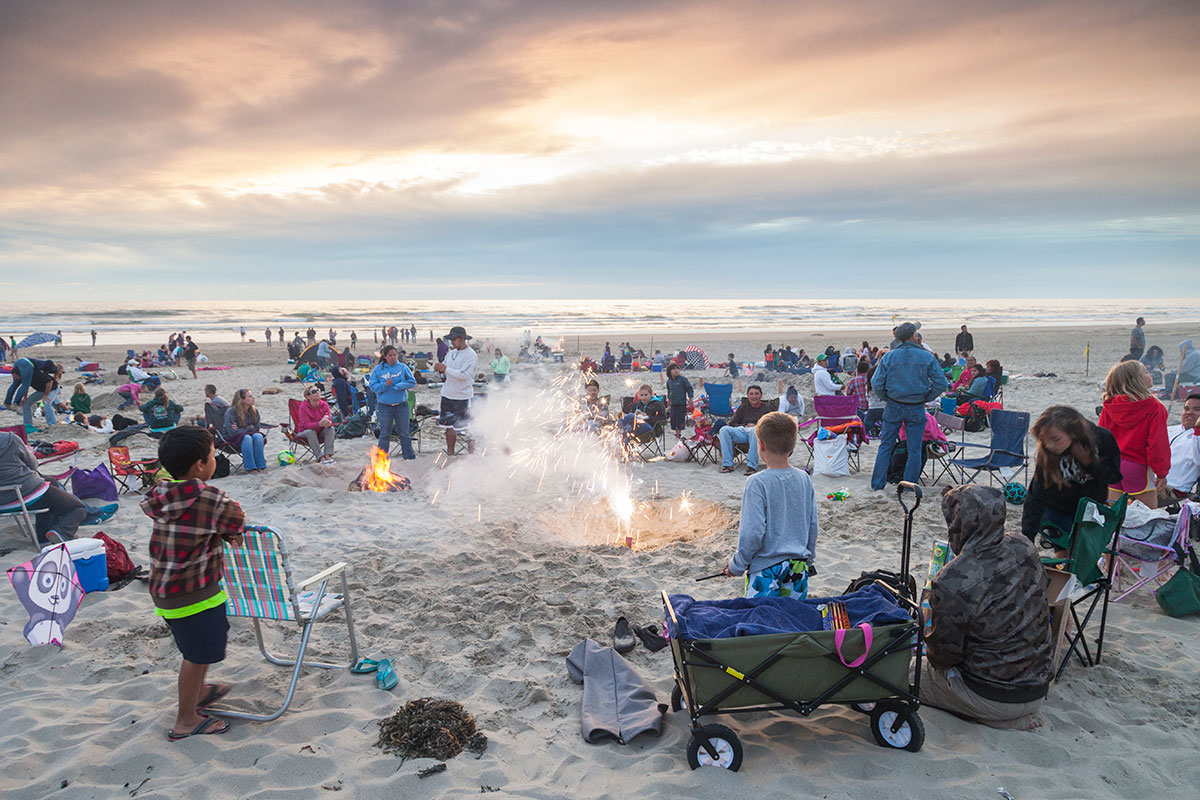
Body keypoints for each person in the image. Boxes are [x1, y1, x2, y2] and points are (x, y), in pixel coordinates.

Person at [140, 426, 245, 741]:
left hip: (165, 592)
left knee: (196, 647)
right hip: (195, 593)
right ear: (200, 465)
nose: (215, 460)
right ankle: (185, 719)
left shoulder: (162, 493)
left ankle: (197, 692)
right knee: (198, 653)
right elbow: (236, 521)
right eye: (213, 455)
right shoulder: (208, 496)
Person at [923, 485, 1053, 731]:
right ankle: (1004, 714)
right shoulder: (1024, 546)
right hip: (1039, 684)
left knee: (906, 675)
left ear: (957, 525)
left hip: (992, 694)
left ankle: (996, 719)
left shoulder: (951, 580)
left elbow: (942, 657)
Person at [720, 412, 818, 598]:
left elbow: (752, 533)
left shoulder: (757, 482)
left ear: (761, 444)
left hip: (766, 569)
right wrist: (809, 559)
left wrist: (737, 564)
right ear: (793, 445)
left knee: (762, 623)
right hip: (798, 566)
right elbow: (812, 526)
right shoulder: (804, 479)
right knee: (790, 621)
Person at [1021, 405, 1123, 542]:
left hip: (1091, 509)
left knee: (1084, 555)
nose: (1050, 446)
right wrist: (1027, 537)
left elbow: (1114, 476)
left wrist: (1090, 464)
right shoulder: (1048, 453)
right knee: (1064, 554)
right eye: (1044, 441)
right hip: (1058, 509)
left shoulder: (1102, 438)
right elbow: (1036, 495)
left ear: (1074, 432)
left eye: (1055, 439)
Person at [870, 322, 948, 490]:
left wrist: (886, 397)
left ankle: (877, 485)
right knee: (914, 449)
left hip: (894, 405)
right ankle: (909, 486)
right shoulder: (926, 356)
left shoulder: (889, 357)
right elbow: (941, 383)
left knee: (886, 446)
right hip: (915, 406)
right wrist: (926, 397)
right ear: (914, 336)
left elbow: (876, 383)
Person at [1098, 360, 1170, 509]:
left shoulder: (1109, 406)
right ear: (1136, 380)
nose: (1149, 374)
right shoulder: (1155, 408)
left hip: (1112, 464)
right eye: (1145, 372)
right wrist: (1161, 472)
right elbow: (1157, 445)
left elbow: (1101, 438)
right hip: (1137, 466)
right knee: (1148, 514)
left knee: (1113, 513)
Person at [0, 429, 87, 545]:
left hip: (3, 503)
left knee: (51, 482)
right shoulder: (10, 439)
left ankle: (45, 535)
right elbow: (33, 464)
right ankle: (61, 532)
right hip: (26, 494)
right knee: (78, 508)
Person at [434, 326, 478, 456]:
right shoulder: (451, 354)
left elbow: (463, 375)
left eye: (454, 339)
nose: (451, 342)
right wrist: (439, 371)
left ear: (462, 339)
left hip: (463, 396)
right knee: (448, 427)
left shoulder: (471, 355)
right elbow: (445, 375)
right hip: (447, 395)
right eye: (450, 339)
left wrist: (445, 369)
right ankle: (450, 454)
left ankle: (472, 454)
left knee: (467, 428)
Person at [368, 345, 416, 458]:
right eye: (390, 355)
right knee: (384, 434)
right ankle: (381, 459)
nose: (393, 357)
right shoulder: (378, 370)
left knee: (404, 433)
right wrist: (384, 384)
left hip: (401, 405)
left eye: (395, 355)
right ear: (385, 356)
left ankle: (409, 457)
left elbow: (412, 382)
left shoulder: (403, 367)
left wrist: (400, 385)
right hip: (385, 406)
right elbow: (373, 387)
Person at [718, 384, 773, 476]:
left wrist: (756, 425)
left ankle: (751, 466)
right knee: (724, 430)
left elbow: (771, 424)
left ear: (761, 395)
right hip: (742, 432)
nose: (754, 396)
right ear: (748, 396)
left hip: (759, 434)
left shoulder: (767, 408)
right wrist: (744, 425)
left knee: (755, 430)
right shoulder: (743, 407)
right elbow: (733, 423)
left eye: (756, 394)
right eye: (751, 394)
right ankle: (728, 465)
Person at [1160, 392, 1200, 502]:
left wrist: (1197, 431)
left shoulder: (1198, 437)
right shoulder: (1169, 430)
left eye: (1196, 409)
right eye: (1186, 409)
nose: (1189, 413)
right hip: (1149, 481)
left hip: (1171, 490)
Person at [223, 389, 268, 474]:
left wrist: (241, 429)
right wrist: (249, 428)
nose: (253, 398)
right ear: (243, 400)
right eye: (250, 396)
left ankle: (261, 466)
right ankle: (250, 468)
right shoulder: (231, 412)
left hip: (245, 436)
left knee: (258, 436)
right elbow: (232, 433)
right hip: (231, 439)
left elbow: (256, 429)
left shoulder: (254, 411)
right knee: (247, 437)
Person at [296, 386, 337, 465]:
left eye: (318, 390)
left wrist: (328, 423)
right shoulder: (303, 407)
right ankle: (320, 457)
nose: (318, 392)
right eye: (314, 391)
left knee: (330, 429)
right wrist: (318, 424)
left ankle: (328, 455)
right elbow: (305, 425)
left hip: (320, 431)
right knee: (310, 432)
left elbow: (329, 421)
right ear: (308, 396)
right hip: (304, 433)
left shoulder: (324, 405)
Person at [617, 383, 667, 448]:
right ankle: (627, 452)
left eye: (646, 395)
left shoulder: (657, 404)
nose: (644, 397)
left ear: (651, 394)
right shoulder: (637, 404)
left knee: (631, 416)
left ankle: (616, 426)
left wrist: (646, 417)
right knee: (625, 430)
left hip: (651, 430)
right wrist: (637, 415)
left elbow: (663, 419)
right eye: (641, 395)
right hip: (636, 429)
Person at [664, 363, 694, 438]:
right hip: (673, 403)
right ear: (669, 371)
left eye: (677, 368)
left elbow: (689, 389)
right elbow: (669, 391)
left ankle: (678, 433)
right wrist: (669, 401)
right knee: (673, 419)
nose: (676, 370)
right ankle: (676, 432)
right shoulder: (669, 381)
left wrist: (690, 399)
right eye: (673, 369)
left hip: (681, 403)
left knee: (680, 419)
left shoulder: (683, 379)